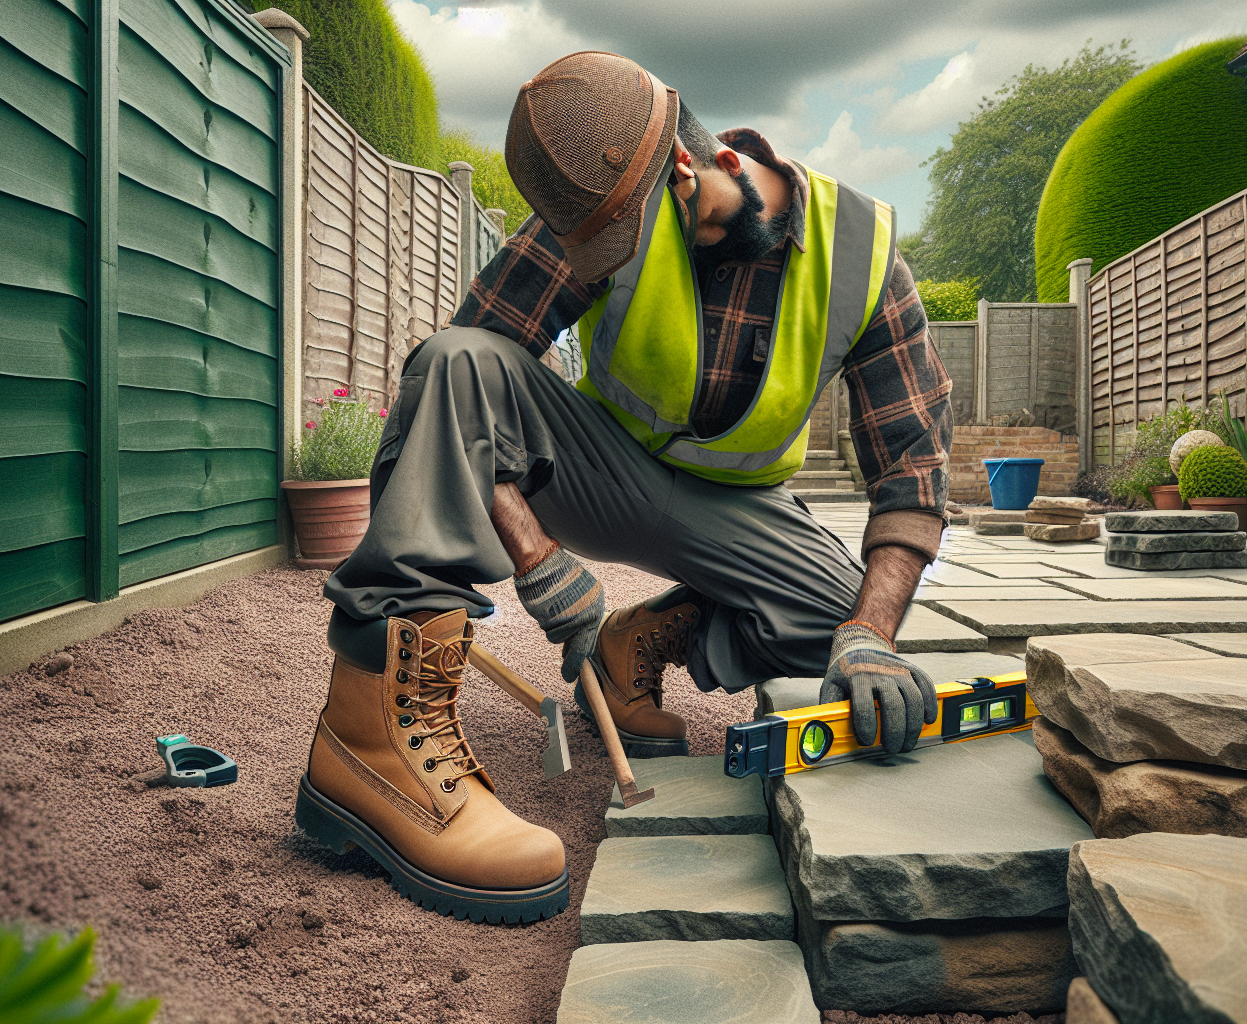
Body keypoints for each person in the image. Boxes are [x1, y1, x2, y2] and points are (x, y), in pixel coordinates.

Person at [292, 51, 953, 924]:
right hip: (592, 473)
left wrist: (869, 635)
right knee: (453, 362)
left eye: (618, 242)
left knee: (847, 621)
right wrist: (534, 551)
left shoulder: (863, 256)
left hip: (734, 510)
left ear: (688, 171)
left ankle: (641, 640)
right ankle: (373, 733)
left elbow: (912, 467)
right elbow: (459, 376)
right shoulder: (594, 205)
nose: (599, 261)